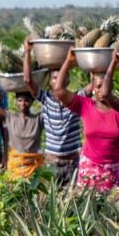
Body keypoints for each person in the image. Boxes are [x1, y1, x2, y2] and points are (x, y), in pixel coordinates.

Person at [51, 48, 119, 192]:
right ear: (92, 87)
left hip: (117, 169)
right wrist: (68, 61)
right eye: (98, 86)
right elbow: (59, 91)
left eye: (105, 86)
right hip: (91, 168)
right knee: (90, 210)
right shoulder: (85, 105)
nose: (101, 90)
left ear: (111, 86)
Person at [22, 39, 83, 186]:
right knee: (52, 204)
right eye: (55, 78)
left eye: (61, 77)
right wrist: (27, 51)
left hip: (73, 162)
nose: (58, 81)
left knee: (73, 203)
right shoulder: (46, 99)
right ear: (50, 82)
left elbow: (95, 85)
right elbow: (27, 80)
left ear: (67, 80)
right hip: (52, 163)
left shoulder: (77, 100)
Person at [6, 90, 45, 179]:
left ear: (32, 101)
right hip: (15, 166)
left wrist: (40, 91)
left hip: (34, 166)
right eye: (20, 100)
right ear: (15, 101)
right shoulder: (10, 117)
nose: (23, 103)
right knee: (14, 191)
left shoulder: (38, 119)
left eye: (27, 100)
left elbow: (51, 106)